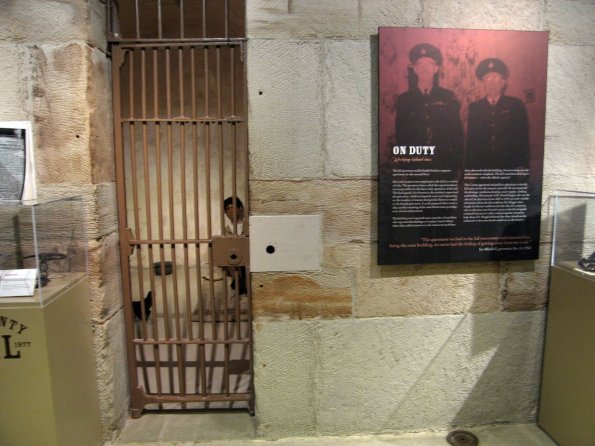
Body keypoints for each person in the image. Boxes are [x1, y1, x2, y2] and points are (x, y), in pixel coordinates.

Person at [394, 43, 464, 171]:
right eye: (420, 64)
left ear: (436, 68)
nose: (424, 68)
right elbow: (401, 136)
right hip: (416, 166)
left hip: (444, 164)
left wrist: (457, 165)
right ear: (414, 69)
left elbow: (457, 133)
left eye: (429, 63)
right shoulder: (404, 99)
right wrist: (405, 167)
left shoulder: (447, 96)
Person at [465, 58, 530, 170]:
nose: (491, 83)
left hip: (509, 166)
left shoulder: (515, 105)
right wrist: (470, 169)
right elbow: (471, 141)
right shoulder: (475, 107)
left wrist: (522, 165)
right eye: (487, 78)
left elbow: (522, 138)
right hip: (482, 167)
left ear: (503, 82)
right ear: (483, 83)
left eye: (495, 77)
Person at [222, 196, 247, 295]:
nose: (231, 210)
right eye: (228, 208)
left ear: (240, 208)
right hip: (232, 264)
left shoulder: (249, 226)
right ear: (225, 213)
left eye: (233, 207)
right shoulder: (225, 230)